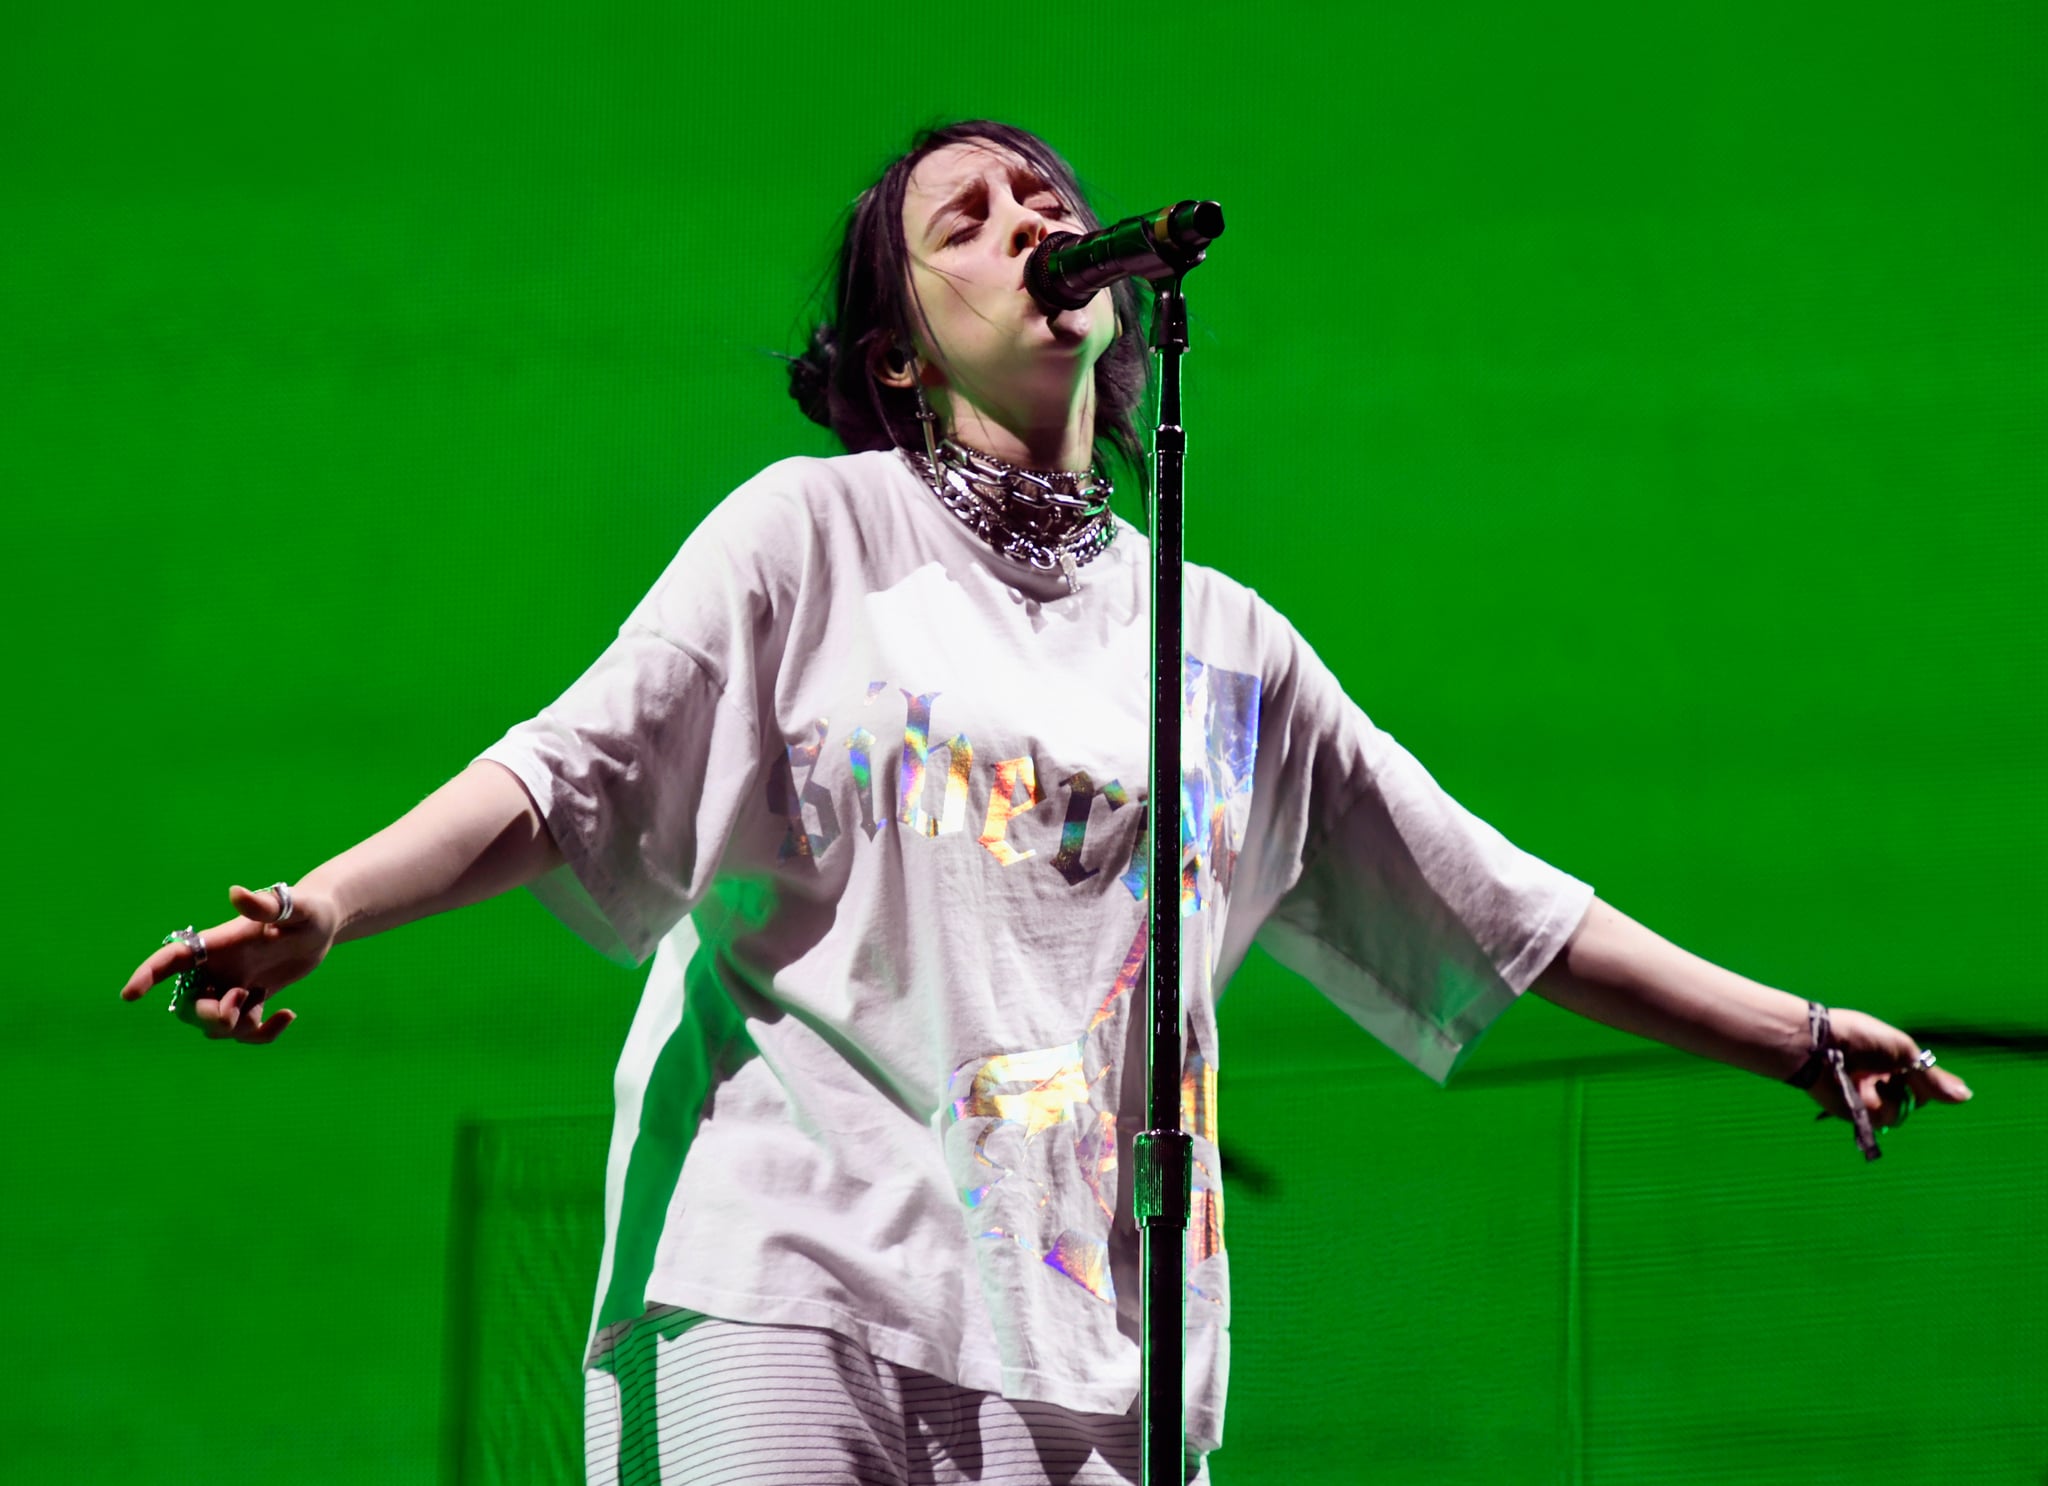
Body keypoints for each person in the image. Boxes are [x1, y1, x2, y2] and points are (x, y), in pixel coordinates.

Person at [120, 120, 1974, 1486]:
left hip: (1097, 1345)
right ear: (900, 350)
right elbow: (566, 768)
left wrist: (1790, 1034)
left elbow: (1497, 902)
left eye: (1045, 197)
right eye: (971, 215)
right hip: (790, 1281)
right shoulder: (811, 535)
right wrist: (329, 903)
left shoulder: (1218, 641)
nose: (1035, 218)